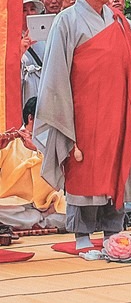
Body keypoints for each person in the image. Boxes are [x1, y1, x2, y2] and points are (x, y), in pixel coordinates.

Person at [34, 0, 131, 250]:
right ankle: (82, 235)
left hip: (116, 108)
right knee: (85, 169)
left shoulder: (118, 21)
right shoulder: (67, 21)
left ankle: (112, 230)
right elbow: (56, 71)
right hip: (83, 111)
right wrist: (61, 112)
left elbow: (130, 66)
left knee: (115, 166)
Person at [0, 97, 66, 230]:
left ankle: (36, 219)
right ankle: (40, 220)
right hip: (16, 204)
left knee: (75, 211)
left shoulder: (54, 142)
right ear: (31, 118)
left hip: (50, 203)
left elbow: (62, 176)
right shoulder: (10, 141)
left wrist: (38, 150)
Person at [20, 0, 45, 107]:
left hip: (44, 89)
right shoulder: (8, 40)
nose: (29, 13)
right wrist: (19, 52)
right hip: (25, 91)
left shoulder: (45, 35)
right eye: (24, 10)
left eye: (32, 9)